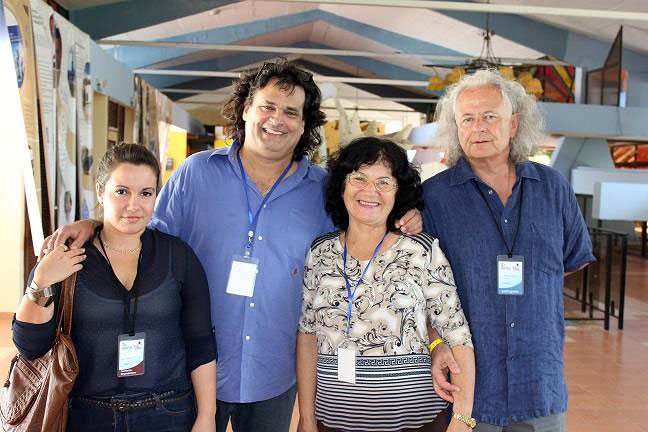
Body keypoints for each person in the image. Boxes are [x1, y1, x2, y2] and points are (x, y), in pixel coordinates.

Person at [41, 60, 422, 432]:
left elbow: (363, 235)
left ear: (305, 124)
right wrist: (94, 224)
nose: (277, 119)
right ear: (245, 110)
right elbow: (143, 234)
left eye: (291, 112)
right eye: (267, 106)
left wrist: (408, 216)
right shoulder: (197, 173)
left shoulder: (322, 190)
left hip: (274, 371)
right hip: (190, 365)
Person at [422, 69, 595, 432]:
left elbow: (569, 261)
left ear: (514, 124)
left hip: (539, 381)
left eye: (490, 117)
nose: (478, 127)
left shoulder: (552, 188)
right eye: (467, 119)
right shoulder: (434, 197)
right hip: (468, 388)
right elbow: (421, 288)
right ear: (456, 127)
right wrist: (436, 342)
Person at [13, 143, 217, 432]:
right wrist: (41, 282)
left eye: (145, 193)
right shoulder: (68, 256)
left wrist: (207, 416)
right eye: (122, 191)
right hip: (86, 415)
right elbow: (30, 346)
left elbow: (200, 343)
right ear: (100, 191)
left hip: (167, 413)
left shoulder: (178, 256)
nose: (134, 205)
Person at [297, 137, 475, 432]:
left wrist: (462, 418)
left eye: (384, 182)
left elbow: (458, 336)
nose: (370, 191)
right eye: (359, 178)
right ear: (341, 185)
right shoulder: (320, 253)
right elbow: (307, 337)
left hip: (418, 424)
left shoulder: (421, 251)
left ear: (398, 193)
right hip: (333, 424)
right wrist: (306, 417)